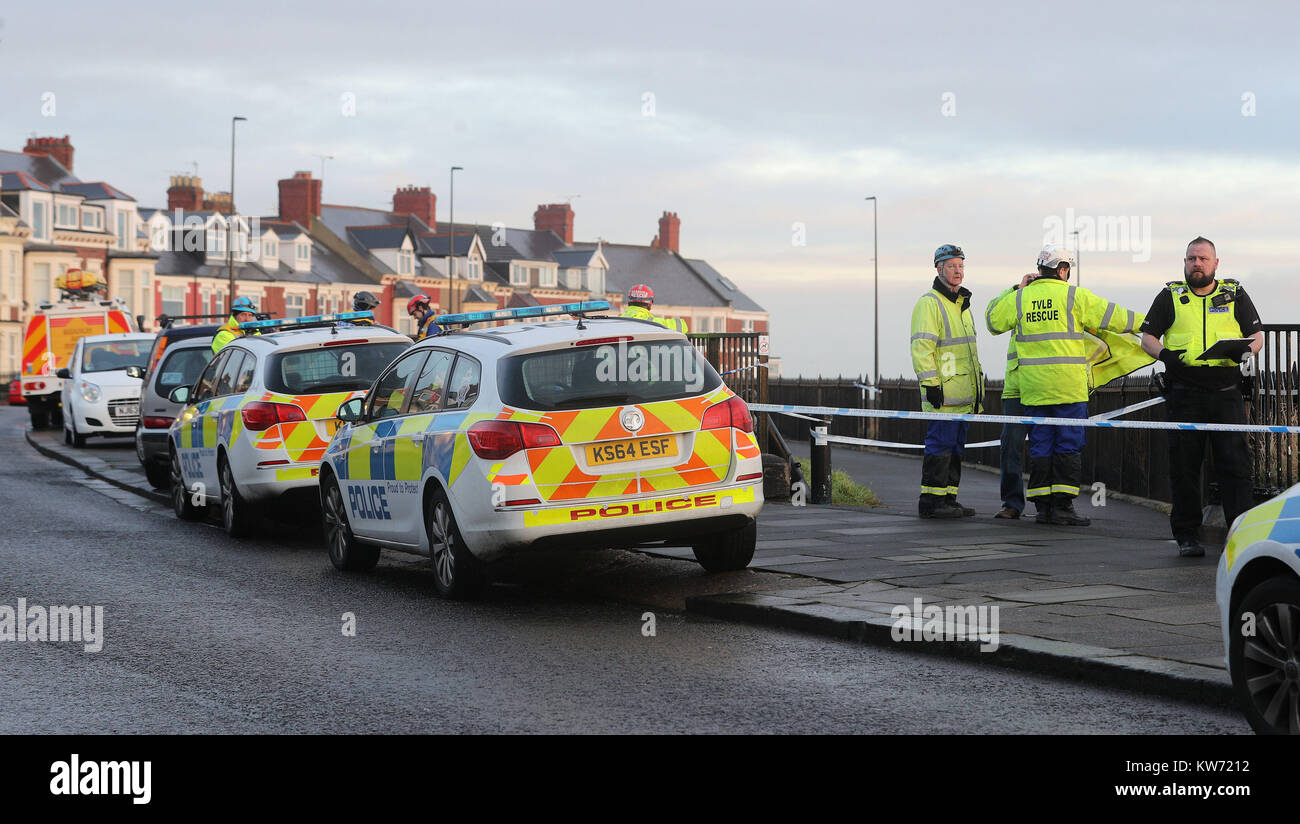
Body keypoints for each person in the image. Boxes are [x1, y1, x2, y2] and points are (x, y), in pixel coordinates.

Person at [987, 245, 1146, 526]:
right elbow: (1116, 317)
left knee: (1040, 446)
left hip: (1034, 390)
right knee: (1068, 446)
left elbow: (993, 321)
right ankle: (1062, 507)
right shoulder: (1074, 295)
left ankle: (1044, 509)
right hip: (1068, 389)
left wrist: (1014, 289)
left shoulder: (1021, 298)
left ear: (1039, 269)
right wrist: (1152, 323)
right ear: (1062, 270)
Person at [1139, 236, 1263, 557]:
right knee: (1184, 467)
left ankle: (1241, 536)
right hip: (1184, 393)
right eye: (1192, 258)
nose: (1197, 264)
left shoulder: (1233, 292)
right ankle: (1187, 536)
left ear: (1215, 264)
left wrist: (1245, 351)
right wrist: (1166, 355)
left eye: (1203, 259)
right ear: (1184, 263)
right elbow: (1147, 337)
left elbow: (1257, 335)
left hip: (1226, 393)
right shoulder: (1171, 295)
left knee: (1235, 467)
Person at [910, 244, 984, 519]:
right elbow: (922, 347)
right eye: (951, 266)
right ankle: (931, 502)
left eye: (961, 265)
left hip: (962, 399)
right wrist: (931, 385)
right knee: (939, 448)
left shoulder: (962, 306)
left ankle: (949, 499)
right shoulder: (930, 303)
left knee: (954, 450)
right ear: (938, 269)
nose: (957, 271)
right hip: (943, 397)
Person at [986, 291, 1026, 519]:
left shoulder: (1063, 300)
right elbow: (993, 319)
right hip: (1016, 389)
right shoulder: (1020, 298)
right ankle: (1011, 504)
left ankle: (1049, 506)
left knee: (1047, 448)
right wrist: (1015, 289)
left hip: (1046, 388)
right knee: (1010, 446)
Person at [621, 284, 689, 333]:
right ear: (650, 303)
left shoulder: (618, 319)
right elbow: (682, 326)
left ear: (629, 302)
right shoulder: (649, 323)